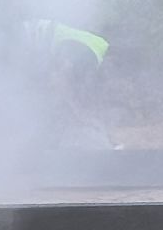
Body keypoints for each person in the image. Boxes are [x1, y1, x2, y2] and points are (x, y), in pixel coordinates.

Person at [28, 19, 111, 147]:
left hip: (33, 35)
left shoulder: (94, 51)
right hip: (26, 37)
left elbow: (64, 81)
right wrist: (78, 112)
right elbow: (61, 79)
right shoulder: (87, 58)